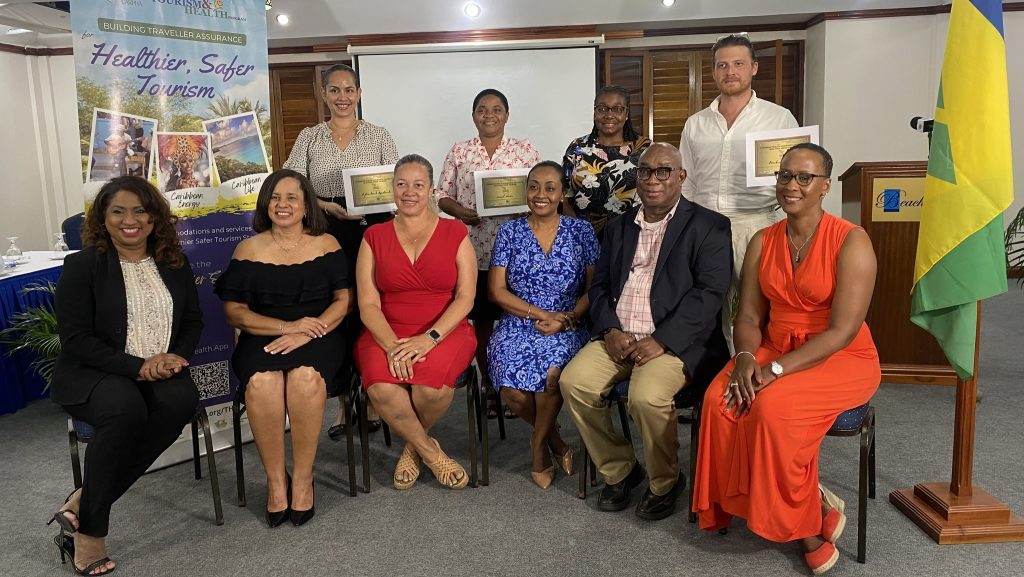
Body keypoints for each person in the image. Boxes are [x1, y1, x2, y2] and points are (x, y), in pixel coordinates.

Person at [692, 143, 880, 575]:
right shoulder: (763, 240)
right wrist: (744, 357)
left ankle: (805, 527)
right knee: (719, 401)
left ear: (825, 186)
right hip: (774, 345)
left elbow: (842, 331)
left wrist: (773, 370)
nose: (791, 185)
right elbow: (749, 316)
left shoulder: (851, 240)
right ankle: (807, 504)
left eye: (804, 177)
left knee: (772, 409)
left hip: (839, 355)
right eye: (785, 176)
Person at [560, 143, 732, 521]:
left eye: (663, 171)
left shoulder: (709, 226)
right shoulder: (618, 227)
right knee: (574, 383)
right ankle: (621, 470)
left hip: (674, 342)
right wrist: (609, 329)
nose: (653, 179)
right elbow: (600, 287)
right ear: (636, 177)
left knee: (645, 397)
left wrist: (663, 340)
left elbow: (710, 294)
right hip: (620, 336)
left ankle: (665, 481)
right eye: (645, 171)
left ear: (680, 177)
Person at [49, 176, 203, 576]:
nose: (129, 220)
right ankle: (91, 533)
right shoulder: (83, 265)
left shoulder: (174, 261)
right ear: (103, 217)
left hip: (159, 368)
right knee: (125, 409)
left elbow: (192, 321)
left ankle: (82, 502)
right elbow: (76, 339)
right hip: (96, 371)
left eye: (139, 211)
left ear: (154, 218)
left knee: (181, 401)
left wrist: (175, 357)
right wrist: (137, 367)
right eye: (118, 211)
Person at [215, 169, 352, 527]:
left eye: (292, 197)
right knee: (263, 383)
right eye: (275, 197)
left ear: (307, 205)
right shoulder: (248, 249)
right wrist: (287, 327)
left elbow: (343, 301)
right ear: (265, 204)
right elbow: (234, 312)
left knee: (305, 378)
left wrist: (307, 332)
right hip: (263, 336)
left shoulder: (327, 244)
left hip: (320, 334)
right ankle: (277, 482)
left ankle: (303, 478)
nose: (282, 204)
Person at [283, 63, 397, 438]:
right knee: (337, 312)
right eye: (335, 90)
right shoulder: (309, 137)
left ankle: (375, 397)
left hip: (373, 230)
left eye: (349, 90)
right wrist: (323, 205)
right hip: (326, 230)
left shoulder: (379, 135)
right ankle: (345, 403)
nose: (342, 97)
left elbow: (396, 184)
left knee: (371, 310)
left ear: (359, 94)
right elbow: (291, 184)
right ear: (324, 94)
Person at [355, 154, 477, 491]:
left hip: (445, 329)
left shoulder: (455, 231)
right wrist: (391, 346)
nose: (409, 192)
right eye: (402, 184)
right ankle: (430, 452)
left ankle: (411, 448)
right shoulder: (373, 236)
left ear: (432, 189)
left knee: (430, 390)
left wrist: (430, 338)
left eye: (418, 185)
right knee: (382, 389)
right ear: (392, 188)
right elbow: (367, 304)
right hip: (386, 330)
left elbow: (465, 297)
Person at [679, 33, 799, 350]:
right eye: (722, 65)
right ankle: (718, 372)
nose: (730, 72)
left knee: (755, 307)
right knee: (706, 309)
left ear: (754, 68)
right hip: (704, 226)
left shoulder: (779, 118)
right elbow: (687, 182)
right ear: (713, 71)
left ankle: (753, 369)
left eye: (738, 64)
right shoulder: (695, 124)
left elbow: (794, 178)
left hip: (757, 224)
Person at [486, 161, 599, 489]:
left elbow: (595, 289)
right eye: (534, 186)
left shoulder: (581, 232)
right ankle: (552, 439)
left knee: (551, 373)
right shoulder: (509, 231)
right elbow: (496, 291)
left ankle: (537, 445)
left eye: (550, 188)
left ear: (562, 194)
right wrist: (538, 314)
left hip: (568, 321)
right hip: (518, 320)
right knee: (510, 387)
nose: (541, 194)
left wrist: (567, 318)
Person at [435, 88, 542, 417]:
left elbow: (542, 191)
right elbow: (441, 194)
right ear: (473, 116)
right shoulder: (460, 151)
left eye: (497, 109)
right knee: (481, 321)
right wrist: (460, 211)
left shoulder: (525, 150)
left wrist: (528, 207)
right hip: (474, 252)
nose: (489, 115)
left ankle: (516, 384)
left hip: (518, 254)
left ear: (507, 115)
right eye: (482, 110)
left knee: (518, 320)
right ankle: (491, 384)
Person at [562, 85, 652, 236]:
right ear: (595, 113)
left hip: (632, 236)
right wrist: (578, 233)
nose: (609, 115)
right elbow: (564, 195)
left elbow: (655, 193)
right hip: (582, 236)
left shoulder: (645, 149)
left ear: (626, 114)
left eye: (617, 109)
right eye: (602, 109)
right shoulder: (577, 147)